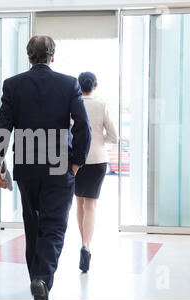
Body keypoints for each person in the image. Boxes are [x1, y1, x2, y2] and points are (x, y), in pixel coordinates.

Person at [0, 36, 91, 300]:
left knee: (33, 223)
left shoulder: (13, 85)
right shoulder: (68, 83)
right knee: (55, 225)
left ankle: (36, 278)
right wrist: (77, 161)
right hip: (59, 164)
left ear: (28, 57)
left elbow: (3, 127)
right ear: (52, 57)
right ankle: (41, 278)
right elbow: (83, 126)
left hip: (26, 164)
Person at [75, 72, 118, 272]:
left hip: (76, 160)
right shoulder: (102, 105)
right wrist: (100, 141)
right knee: (91, 206)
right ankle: (86, 246)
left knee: (80, 203)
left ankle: (83, 241)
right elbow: (114, 136)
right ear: (95, 86)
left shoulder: (73, 103)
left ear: (78, 85)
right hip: (98, 159)